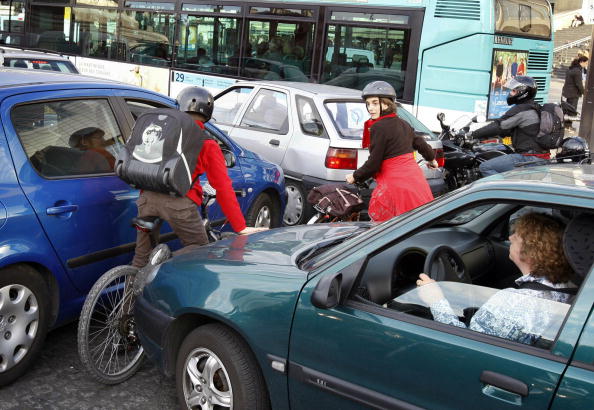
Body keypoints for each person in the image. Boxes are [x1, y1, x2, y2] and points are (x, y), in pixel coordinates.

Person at [131, 87, 265, 268]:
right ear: (208, 112)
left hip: (146, 197)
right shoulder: (208, 143)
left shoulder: (159, 131)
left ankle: (129, 294)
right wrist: (239, 226)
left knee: (140, 260)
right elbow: (222, 186)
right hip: (178, 204)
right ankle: (164, 263)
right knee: (200, 248)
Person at [416, 212, 576, 345]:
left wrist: (436, 300)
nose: (511, 237)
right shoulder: (569, 287)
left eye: (518, 235)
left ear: (533, 251)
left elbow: (466, 344)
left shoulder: (514, 303)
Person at [345, 81, 438, 222]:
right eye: (368, 104)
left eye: (375, 103)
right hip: (416, 181)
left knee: (387, 229)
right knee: (418, 223)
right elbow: (420, 143)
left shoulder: (378, 127)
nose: (370, 108)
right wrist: (432, 160)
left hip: (395, 185)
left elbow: (374, 163)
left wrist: (355, 176)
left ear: (387, 104)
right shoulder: (403, 123)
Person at [472, 76, 549, 177]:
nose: (510, 94)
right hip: (540, 157)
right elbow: (505, 131)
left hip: (529, 158)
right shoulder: (534, 107)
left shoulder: (521, 110)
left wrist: (472, 134)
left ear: (522, 92)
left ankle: (505, 191)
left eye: (513, 91)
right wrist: (484, 137)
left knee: (485, 167)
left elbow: (498, 126)